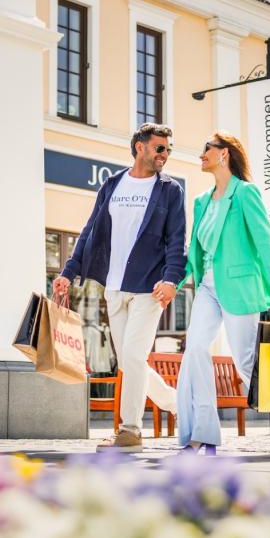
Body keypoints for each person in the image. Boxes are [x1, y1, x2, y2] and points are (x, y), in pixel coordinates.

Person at [176, 132, 270, 454]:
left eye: (206, 149)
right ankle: (202, 432)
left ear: (224, 154)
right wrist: (175, 280)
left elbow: (265, 240)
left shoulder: (245, 193)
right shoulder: (201, 201)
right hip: (207, 286)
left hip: (239, 286)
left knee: (246, 363)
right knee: (195, 348)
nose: (201, 155)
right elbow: (193, 251)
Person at [54, 123, 187, 453]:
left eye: (168, 149)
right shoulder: (113, 184)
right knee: (130, 362)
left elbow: (176, 241)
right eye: (160, 148)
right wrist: (68, 272)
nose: (165, 155)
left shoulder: (170, 191)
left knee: (132, 355)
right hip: (112, 287)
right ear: (140, 147)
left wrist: (171, 280)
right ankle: (180, 405)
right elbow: (89, 232)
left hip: (149, 288)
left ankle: (130, 431)